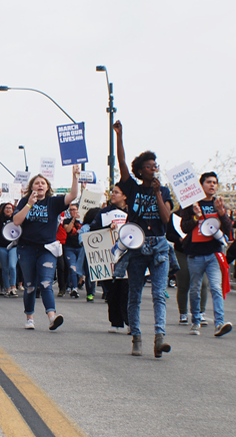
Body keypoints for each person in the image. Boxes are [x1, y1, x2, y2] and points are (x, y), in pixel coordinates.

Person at [113, 121, 173, 358]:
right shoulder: (133, 188)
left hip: (158, 245)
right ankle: (137, 337)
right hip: (137, 247)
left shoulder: (164, 191)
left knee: (158, 294)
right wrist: (119, 136)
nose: (153, 169)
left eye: (155, 165)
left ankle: (160, 338)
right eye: (149, 166)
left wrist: (158, 192)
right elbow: (121, 162)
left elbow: (166, 218)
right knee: (135, 294)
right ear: (140, 170)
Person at [12, 169, 79, 330]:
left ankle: (52, 317)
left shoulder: (53, 202)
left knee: (46, 283)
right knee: (29, 285)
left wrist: (75, 177)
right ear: (32, 187)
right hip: (26, 248)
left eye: (43, 183)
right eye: (37, 183)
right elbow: (16, 220)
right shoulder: (24, 201)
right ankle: (29, 317)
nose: (40, 185)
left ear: (47, 187)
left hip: (47, 249)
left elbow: (73, 196)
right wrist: (29, 204)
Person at [180, 172, 233, 337]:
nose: (212, 185)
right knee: (195, 289)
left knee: (216, 288)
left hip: (213, 253)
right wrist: (196, 216)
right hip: (195, 254)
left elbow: (228, 229)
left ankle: (219, 324)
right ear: (201, 185)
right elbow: (184, 227)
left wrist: (222, 213)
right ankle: (196, 321)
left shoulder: (218, 204)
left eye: (215, 183)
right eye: (209, 182)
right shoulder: (192, 204)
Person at [90, 184, 129, 333]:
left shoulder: (132, 212)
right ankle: (115, 322)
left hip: (127, 256)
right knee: (112, 290)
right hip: (109, 256)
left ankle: (129, 321)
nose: (113, 194)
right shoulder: (105, 212)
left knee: (126, 289)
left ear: (125, 196)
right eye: (112, 192)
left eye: (116, 192)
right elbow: (93, 231)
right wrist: (107, 229)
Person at [0, 200, 17, 297]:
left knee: (12, 266)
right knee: (5, 268)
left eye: (10, 208)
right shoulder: (0, 218)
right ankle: (7, 289)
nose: (8, 210)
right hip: (2, 246)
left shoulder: (15, 218)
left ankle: (13, 287)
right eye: (6, 208)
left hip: (13, 246)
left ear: (13, 210)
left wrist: (16, 202)